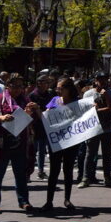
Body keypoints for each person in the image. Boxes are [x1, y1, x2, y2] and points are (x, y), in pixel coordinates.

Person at [0, 74, 39, 214]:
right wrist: (0, 118)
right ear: (7, 86)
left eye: (20, 86)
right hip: (1, 143)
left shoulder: (26, 100)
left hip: (20, 143)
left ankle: (24, 201)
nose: (18, 89)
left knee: (21, 175)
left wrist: (32, 112)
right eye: (14, 86)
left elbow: (31, 120)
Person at [40, 78, 82, 212]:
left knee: (68, 170)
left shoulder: (77, 103)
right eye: (57, 88)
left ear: (69, 89)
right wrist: (38, 111)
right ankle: (49, 201)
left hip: (71, 141)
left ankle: (67, 199)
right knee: (54, 171)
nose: (58, 90)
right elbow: (46, 116)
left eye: (60, 88)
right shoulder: (54, 100)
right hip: (56, 141)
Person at [79, 72, 111, 188]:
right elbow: (84, 110)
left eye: (105, 79)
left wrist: (106, 96)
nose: (102, 81)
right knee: (90, 153)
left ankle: (108, 178)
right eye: (100, 79)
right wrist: (95, 109)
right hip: (93, 128)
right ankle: (86, 178)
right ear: (95, 80)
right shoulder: (88, 94)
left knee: (107, 154)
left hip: (107, 128)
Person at [28, 74, 53, 180]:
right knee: (31, 151)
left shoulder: (49, 95)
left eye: (47, 82)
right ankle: (27, 173)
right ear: (38, 83)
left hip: (45, 126)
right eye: (44, 82)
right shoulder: (32, 95)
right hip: (34, 126)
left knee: (42, 150)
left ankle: (41, 171)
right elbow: (29, 112)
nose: (47, 84)